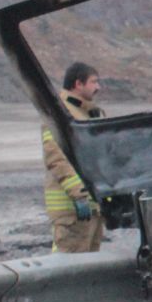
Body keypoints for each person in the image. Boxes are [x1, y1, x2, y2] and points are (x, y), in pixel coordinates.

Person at [42, 61, 106, 252]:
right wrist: (79, 194)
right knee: (68, 268)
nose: (98, 87)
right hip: (71, 209)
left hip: (92, 208)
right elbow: (57, 159)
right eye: (94, 82)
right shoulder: (59, 113)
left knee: (89, 269)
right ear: (78, 84)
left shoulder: (88, 113)